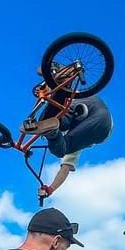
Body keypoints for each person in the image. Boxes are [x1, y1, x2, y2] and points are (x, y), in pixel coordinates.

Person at [29, 70, 114, 200]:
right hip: (97, 113)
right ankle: (62, 74)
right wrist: (50, 189)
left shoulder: (76, 137)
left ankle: (61, 75)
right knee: (60, 146)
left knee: (58, 116)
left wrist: (51, 189)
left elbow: (65, 169)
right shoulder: (76, 140)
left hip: (94, 112)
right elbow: (65, 168)